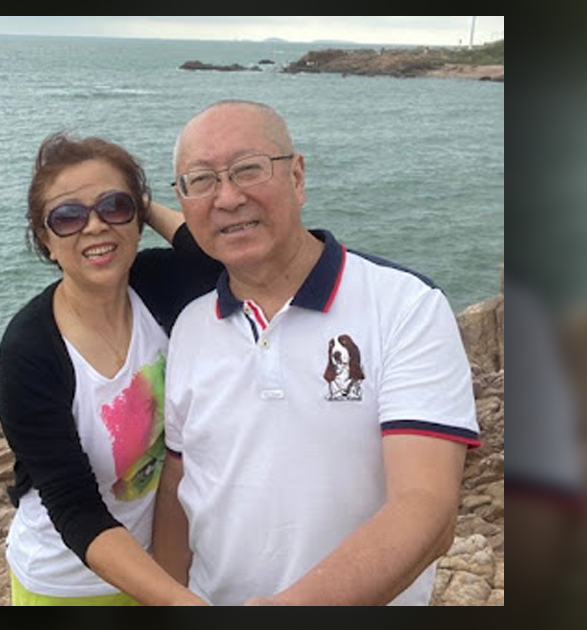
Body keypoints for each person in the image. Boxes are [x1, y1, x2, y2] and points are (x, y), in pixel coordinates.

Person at [152, 100, 481, 606]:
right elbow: (180, 483)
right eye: (200, 181)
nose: (228, 197)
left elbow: (428, 508)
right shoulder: (192, 327)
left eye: (248, 169)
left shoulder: (404, 306)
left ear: (298, 176)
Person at [0, 133, 219, 606]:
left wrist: (143, 208)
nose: (94, 226)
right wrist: (182, 602)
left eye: (113, 206)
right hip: (69, 585)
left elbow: (217, 259)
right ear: (45, 239)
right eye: (68, 216)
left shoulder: (157, 286)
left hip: (160, 562)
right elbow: (76, 510)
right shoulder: (31, 349)